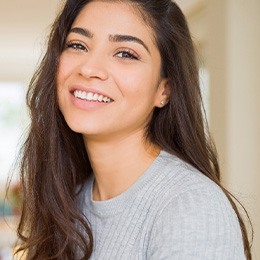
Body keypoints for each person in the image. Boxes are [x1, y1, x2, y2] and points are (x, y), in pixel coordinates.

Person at [16, 0, 252, 259]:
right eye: (77, 45)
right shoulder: (68, 202)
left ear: (165, 89)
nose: (89, 68)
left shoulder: (190, 207)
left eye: (125, 53)